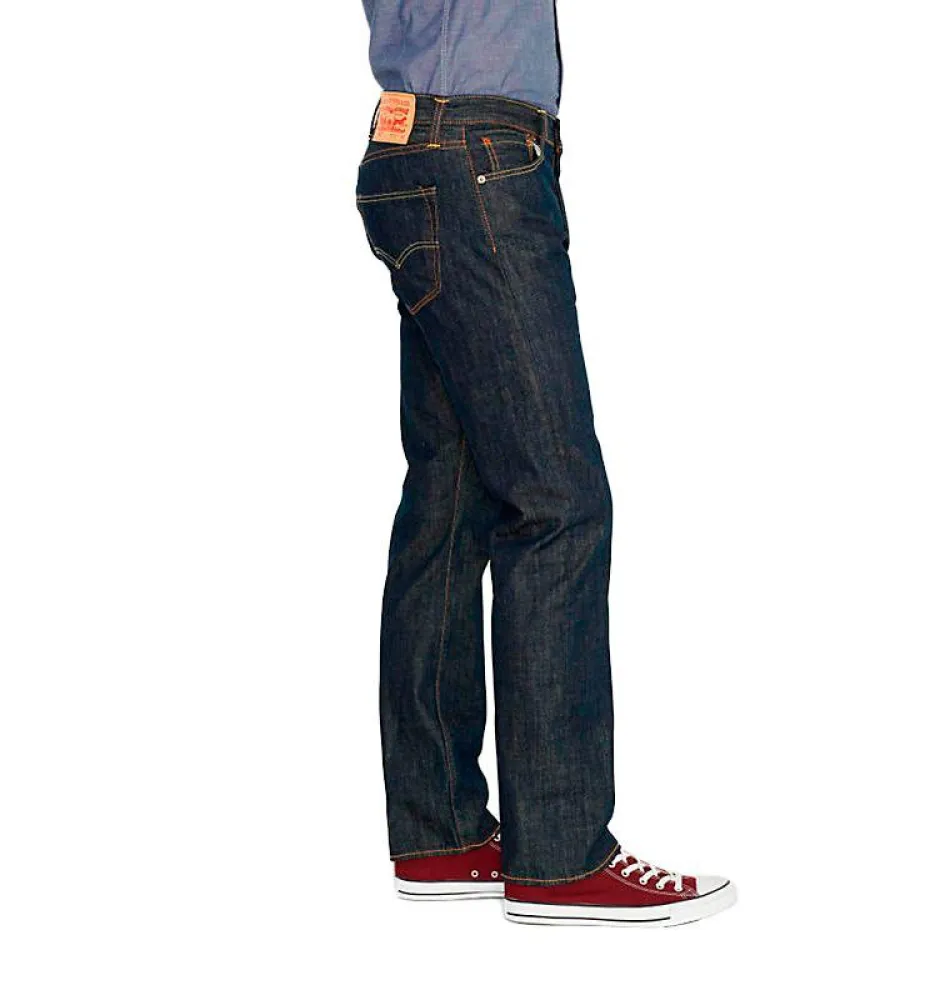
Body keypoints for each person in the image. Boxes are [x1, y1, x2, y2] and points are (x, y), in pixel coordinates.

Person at [356, 1, 736, 927]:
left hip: (424, 149)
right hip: (478, 154)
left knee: (451, 500)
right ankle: (562, 856)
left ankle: (441, 833)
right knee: (558, 504)